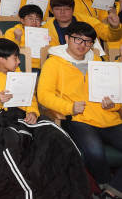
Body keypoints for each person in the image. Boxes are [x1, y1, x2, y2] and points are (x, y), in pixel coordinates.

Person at [38, 21, 122, 198]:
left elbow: (115, 92)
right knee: (95, 152)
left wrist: (113, 104)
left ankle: (111, 192)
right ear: (67, 38)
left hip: (107, 116)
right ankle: (107, 185)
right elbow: (44, 95)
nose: (83, 45)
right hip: (78, 118)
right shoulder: (54, 63)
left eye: (88, 41)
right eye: (78, 39)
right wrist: (69, 107)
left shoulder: (98, 61)